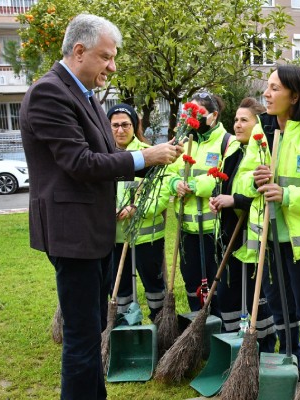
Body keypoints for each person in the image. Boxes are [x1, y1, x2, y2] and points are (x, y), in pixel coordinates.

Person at [19, 14, 182, 400]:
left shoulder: (86, 94)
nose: (112, 66)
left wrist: (153, 159)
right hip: (72, 236)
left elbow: (109, 154)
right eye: (106, 57)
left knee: (91, 336)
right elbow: (81, 163)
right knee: (81, 341)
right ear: (79, 51)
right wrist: (146, 159)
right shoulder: (50, 93)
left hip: (94, 234)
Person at [236, 65, 300, 375]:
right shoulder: (260, 132)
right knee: (280, 308)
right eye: (267, 87)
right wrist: (255, 181)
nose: (266, 94)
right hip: (268, 238)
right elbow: (240, 181)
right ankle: (289, 362)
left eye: (275, 88)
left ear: (294, 95)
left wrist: (288, 194)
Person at [208, 97, 277, 352]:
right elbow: (227, 187)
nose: (237, 125)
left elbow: (261, 196)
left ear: (257, 124)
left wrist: (234, 200)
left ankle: (264, 349)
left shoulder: (263, 153)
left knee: (257, 300)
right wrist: (218, 200)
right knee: (229, 297)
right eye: (235, 119)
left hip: (252, 241)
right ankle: (233, 350)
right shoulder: (234, 152)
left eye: (244, 120)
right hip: (230, 237)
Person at [167, 92, 238, 315]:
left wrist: (194, 185)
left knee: (218, 287)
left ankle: (218, 327)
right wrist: (175, 184)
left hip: (214, 232)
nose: (192, 119)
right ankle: (196, 331)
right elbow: (168, 173)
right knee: (192, 285)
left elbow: (223, 178)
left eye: (198, 113)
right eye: (188, 114)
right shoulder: (182, 142)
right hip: (186, 230)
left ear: (213, 116)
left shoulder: (228, 143)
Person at [107, 103, 166, 322]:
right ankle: (125, 327)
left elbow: (162, 193)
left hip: (146, 236)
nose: (120, 130)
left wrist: (137, 208)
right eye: (115, 125)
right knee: (119, 287)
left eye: (125, 124)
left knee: (154, 286)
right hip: (113, 237)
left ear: (134, 126)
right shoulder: (103, 155)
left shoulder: (149, 154)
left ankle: (160, 325)